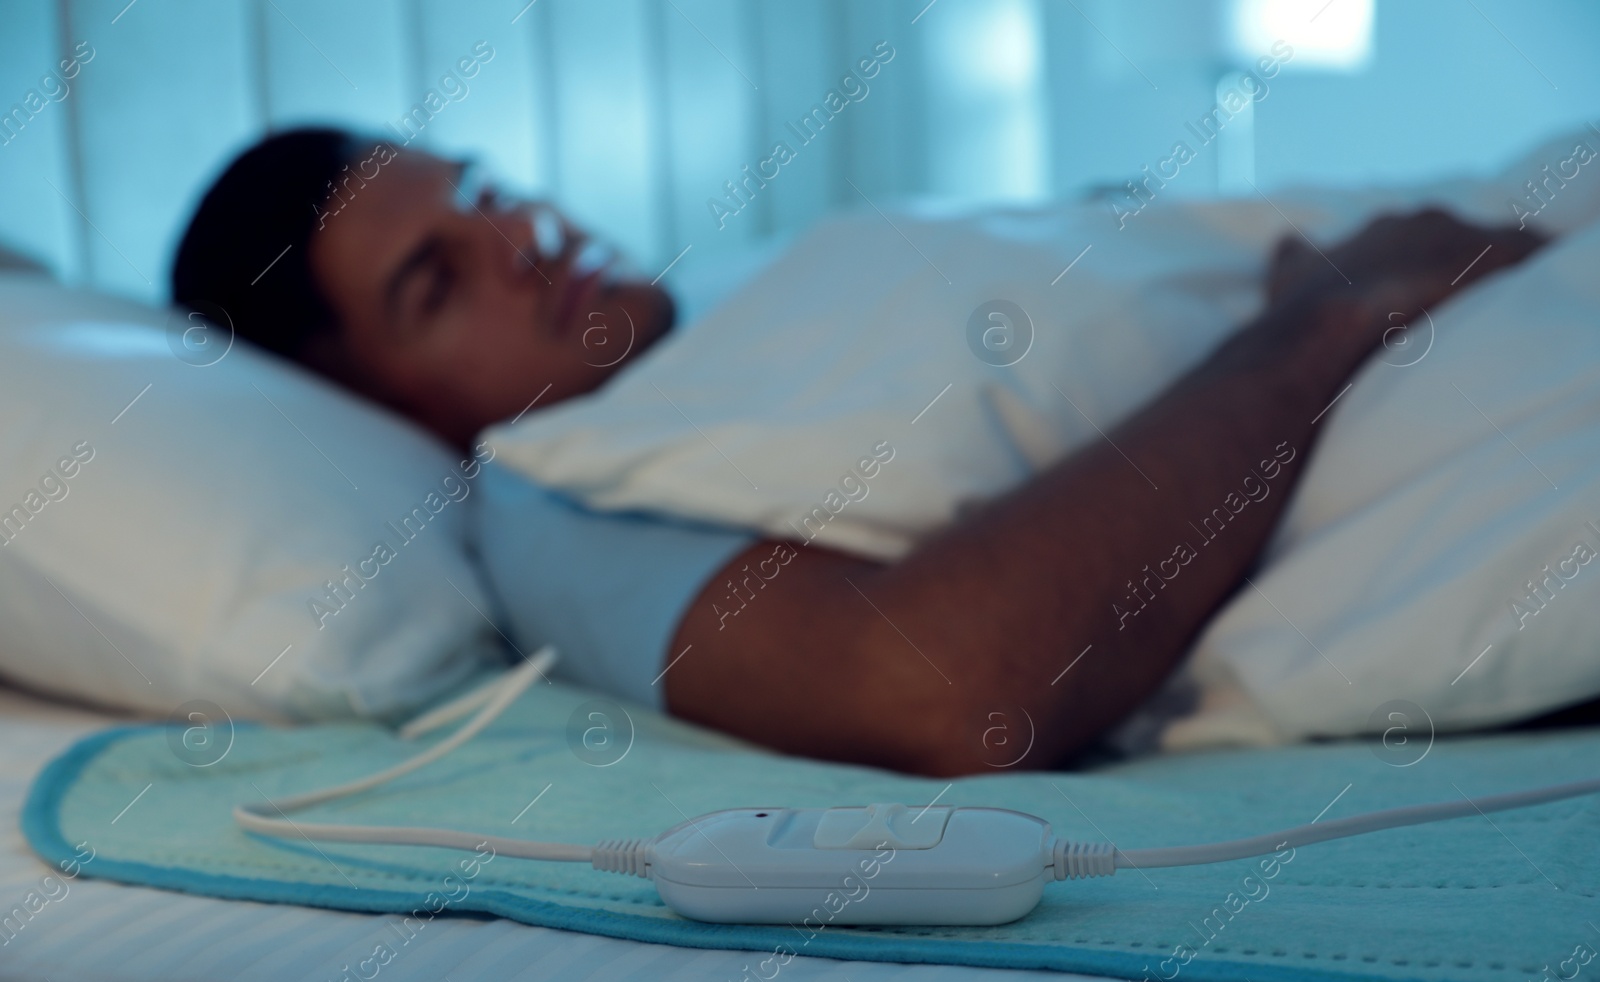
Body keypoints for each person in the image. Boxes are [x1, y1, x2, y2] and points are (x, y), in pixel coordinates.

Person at [172, 128, 1545, 776]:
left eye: (479, 192)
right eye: (439, 282)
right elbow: (943, 691)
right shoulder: (562, 495)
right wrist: (1325, 317)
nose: (522, 237)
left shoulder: (742, 303)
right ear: (382, 409)